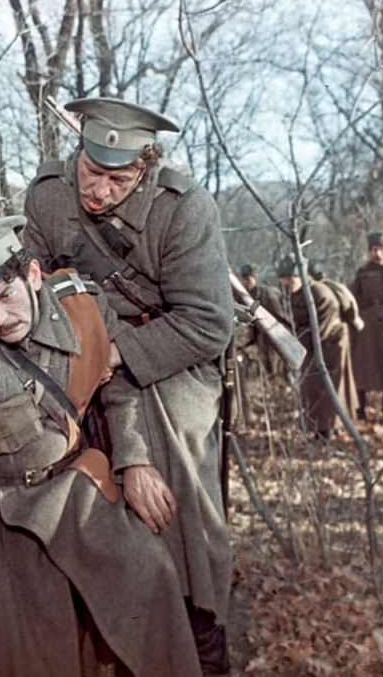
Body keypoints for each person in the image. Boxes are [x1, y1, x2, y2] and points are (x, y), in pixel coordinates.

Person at [0, 216, 202, 677]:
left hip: (74, 487)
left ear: (31, 274)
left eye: (5, 297)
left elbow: (120, 382)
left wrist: (134, 458)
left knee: (151, 582)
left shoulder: (81, 307)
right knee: (17, 644)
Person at [23, 97, 234, 674]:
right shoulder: (47, 193)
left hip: (169, 356)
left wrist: (117, 352)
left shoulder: (183, 206)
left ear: (144, 167)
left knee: (178, 478)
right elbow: (35, 294)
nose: (99, 191)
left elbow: (209, 323)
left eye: (117, 180)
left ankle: (200, 631)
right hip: (75, 348)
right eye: (91, 174)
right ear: (77, 155)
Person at [277, 255, 354, 441]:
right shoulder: (292, 295)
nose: (288, 282)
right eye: (285, 279)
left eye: (292, 278)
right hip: (311, 345)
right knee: (310, 387)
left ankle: (328, 430)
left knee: (329, 388)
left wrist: (297, 346)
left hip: (331, 344)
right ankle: (317, 428)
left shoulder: (320, 293)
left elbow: (322, 328)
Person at [348, 231, 383, 421]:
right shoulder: (363, 273)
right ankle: (359, 410)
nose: (377, 254)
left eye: (381, 250)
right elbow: (351, 297)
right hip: (365, 328)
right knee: (361, 370)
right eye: (374, 250)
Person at [238, 262, 290, 383]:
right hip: (260, 336)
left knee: (276, 369)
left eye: (248, 279)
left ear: (255, 278)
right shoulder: (249, 295)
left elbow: (281, 316)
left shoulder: (267, 293)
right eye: (244, 279)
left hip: (274, 336)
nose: (246, 282)